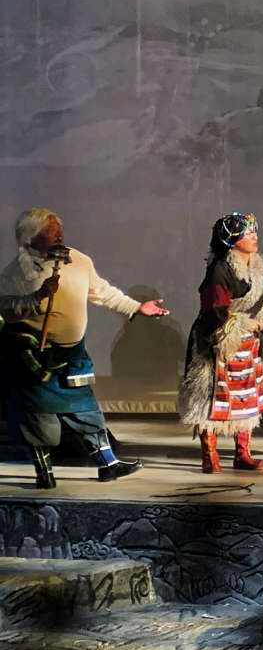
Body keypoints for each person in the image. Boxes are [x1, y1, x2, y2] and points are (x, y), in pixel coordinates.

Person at [0, 208, 166, 488]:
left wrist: (137, 307)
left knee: (86, 409)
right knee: (37, 419)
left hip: (71, 355)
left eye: (58, 229)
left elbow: (103, 292)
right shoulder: (15, 274)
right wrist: (37, 296)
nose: (58, 235)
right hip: (36, 359)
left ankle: (108, 464)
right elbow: (6, 308)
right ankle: (44, 473)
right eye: (49, 231)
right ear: (30, 238)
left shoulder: (78, 261)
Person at [178, 213, 263, 473]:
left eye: (255, 231)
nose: (255, 236)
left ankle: (242, 454)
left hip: (248, 343)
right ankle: (210, 455)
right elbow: (215, 309)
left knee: (247, 396)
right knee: (209, 397)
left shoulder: (260, 266)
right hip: (218, 339)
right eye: (248, 233)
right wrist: (243, 323)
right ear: (232, 240)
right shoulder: (220, 270)